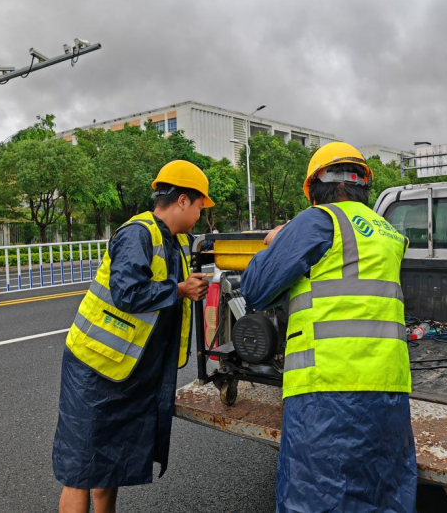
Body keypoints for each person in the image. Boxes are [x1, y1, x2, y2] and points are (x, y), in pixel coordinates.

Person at [241, 142, 416, 513]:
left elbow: (256, 289)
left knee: (317, 498)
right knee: (382, 495)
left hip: (327, 391)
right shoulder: (387, 232)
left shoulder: (318, 221)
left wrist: (275, 243)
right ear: (363, 186)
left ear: (314, 190)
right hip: (389, 390)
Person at [53, 160, 214, 513]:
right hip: (95, 367)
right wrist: (180, 289)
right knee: (80, 466)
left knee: (107, 461)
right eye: (201, 206)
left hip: (127, 368)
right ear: (183, 200)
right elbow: (128, 294)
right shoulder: (137, 233)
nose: (202, 214)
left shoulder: (173, 240)